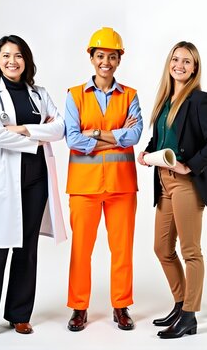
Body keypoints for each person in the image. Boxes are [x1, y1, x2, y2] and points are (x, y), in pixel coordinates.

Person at [0, 35, 66, 343]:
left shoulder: (39, 93)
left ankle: (19, 315)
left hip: (36, 178)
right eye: (6, 55)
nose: (13, 60)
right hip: (4, 180)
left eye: (19, 55)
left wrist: (23, 129)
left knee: (27, 249)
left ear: (27, 61)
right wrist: (39, 137)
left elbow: (60, 128)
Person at [137, 41, 207, 339]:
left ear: (195, 68)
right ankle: (180, 303)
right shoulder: (164, 100)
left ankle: (189, 316)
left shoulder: (200, 99)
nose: (180, 65)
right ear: (169, 63)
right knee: (162, 248)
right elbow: (162, 138)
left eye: (187, 61)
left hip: (186, 183)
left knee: (190, 251)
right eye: (176, 59)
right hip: (163, 180)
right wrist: (147, 153)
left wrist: (190, 166)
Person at [64, 27, 143, 332]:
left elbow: (135, 135)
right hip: (84, 187)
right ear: (92, 58)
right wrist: (116, 136)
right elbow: (72, 138)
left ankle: (121, 306)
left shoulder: (131, 95)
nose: (106, 62)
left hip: (121, 185)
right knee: (81, 251)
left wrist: (93, 134)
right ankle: (78, 307)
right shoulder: (74, 95)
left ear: (119, 60)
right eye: (101, 56)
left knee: (122, 249)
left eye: (112, 56)